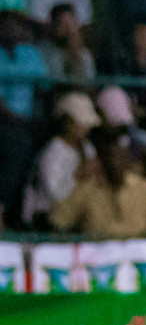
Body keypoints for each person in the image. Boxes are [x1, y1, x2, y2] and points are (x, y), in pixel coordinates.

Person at [51, 126, 146, 239]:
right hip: (99, 258)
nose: (115, 162)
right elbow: (57, 223)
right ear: (101, 160)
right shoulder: (87, 190)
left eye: (120, 156)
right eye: (111, 156)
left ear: (128, 158)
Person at [25, 91, 99, 226]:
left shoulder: (87, 148)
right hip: (47, 218)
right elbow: (54, 194)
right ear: (67, 122)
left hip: (80, 214)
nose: (86, 128)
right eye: (81, 123)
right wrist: (78, 176)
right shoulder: (53, 152)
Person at [39, 3, 97, 83]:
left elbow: (89, 82)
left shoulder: (84, 55)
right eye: (63, 24)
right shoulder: (45, 53)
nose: (68, 30)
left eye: (70, 24)